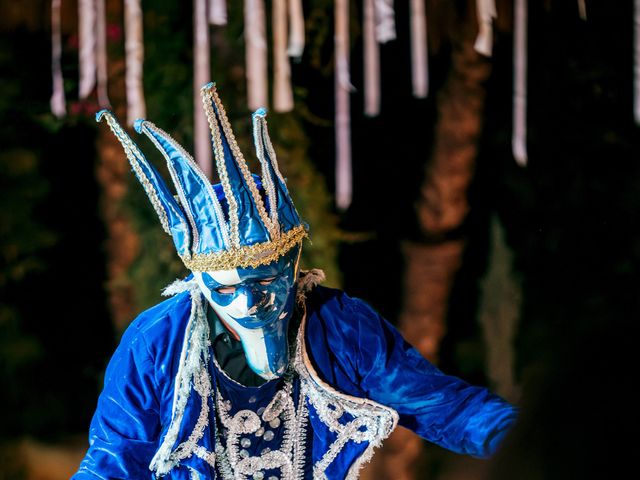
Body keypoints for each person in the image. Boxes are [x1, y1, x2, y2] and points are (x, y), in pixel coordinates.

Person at [73, 83, 517, 480]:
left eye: (265, 280)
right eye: (226, 289)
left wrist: (532, 438)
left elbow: (442, 406)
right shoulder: (156, 342)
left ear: (292, 265)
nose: (249, 302)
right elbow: (113, 458)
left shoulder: (341, 327)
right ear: (200, 281)